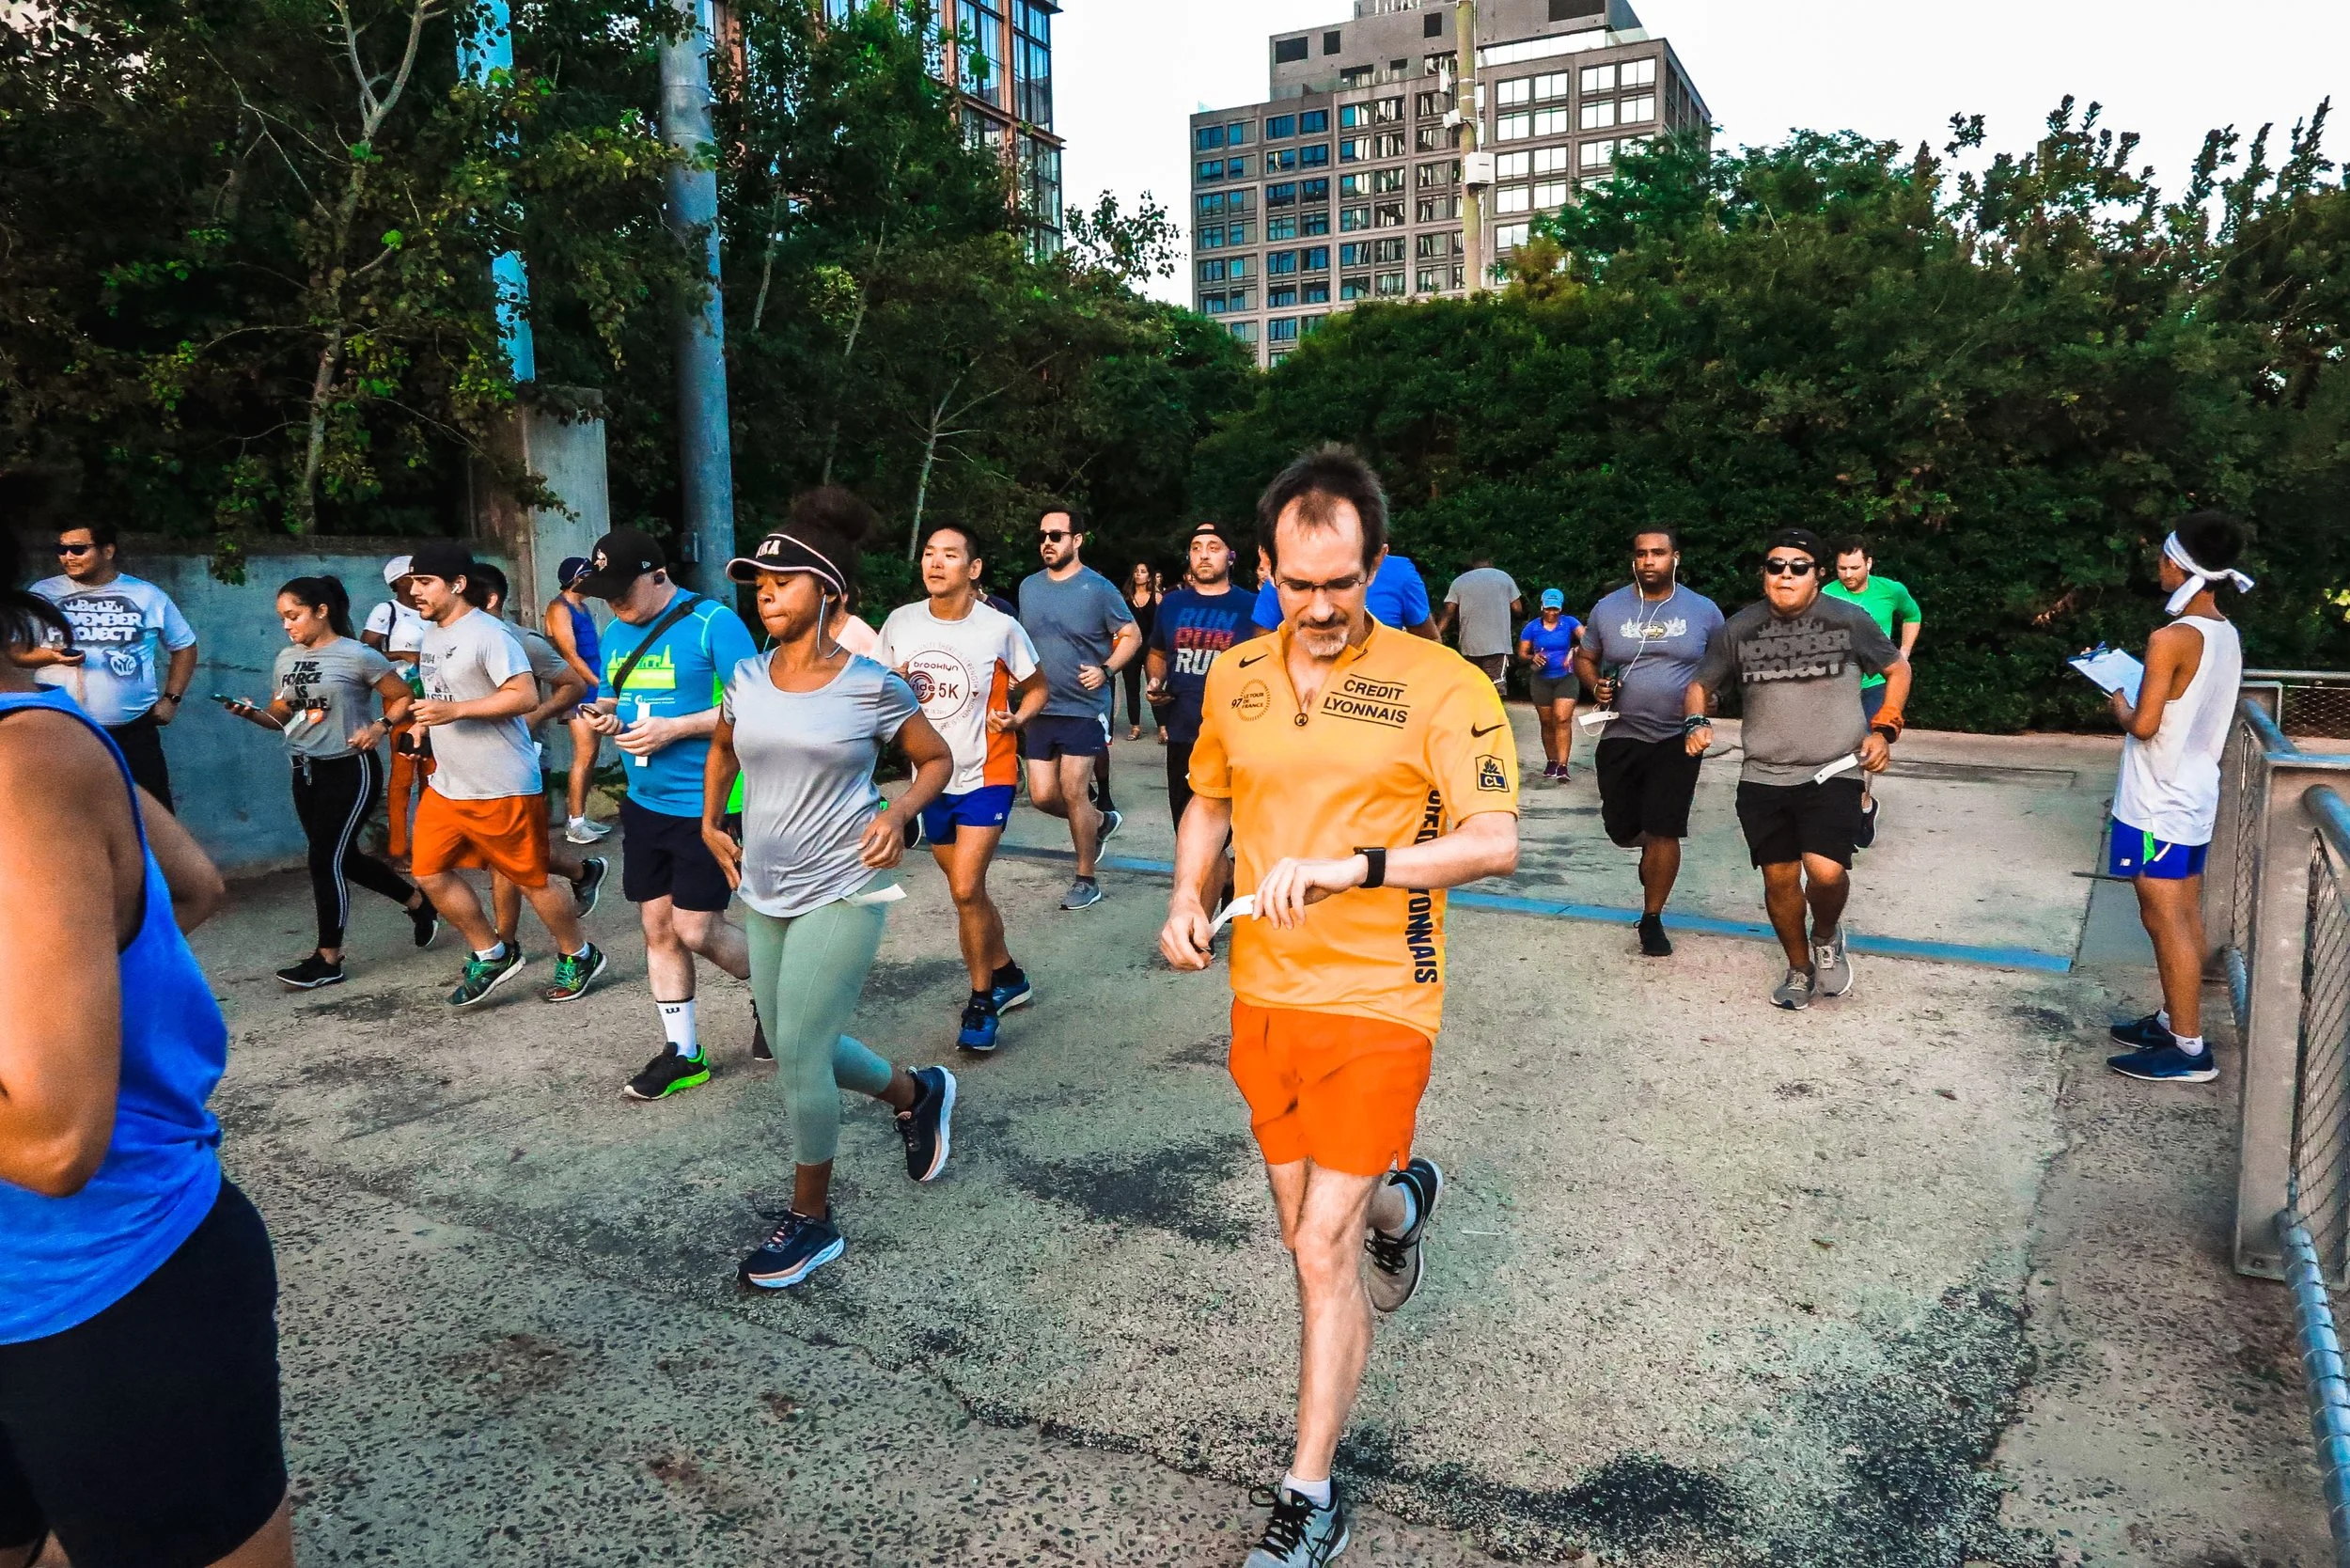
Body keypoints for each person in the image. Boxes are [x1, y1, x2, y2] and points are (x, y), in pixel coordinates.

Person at [1160, 446, 1520, 1568]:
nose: (1320, 607)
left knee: (1319, 1247)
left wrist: (1357, 868)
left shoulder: (1441, 683)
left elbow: (1495, 841)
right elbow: (1208, 801)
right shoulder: (1236, 675)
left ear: (1375, 568)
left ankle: (1308, 1494)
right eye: (1298, 583)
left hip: (1382, 995)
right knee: (1306, 1233)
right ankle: (1401, 1205)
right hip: (1263, 991)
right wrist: (1184, 897)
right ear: (1264, 568)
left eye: (1343, 583)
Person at [0, 535, 295, 1568]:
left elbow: (49, 1141)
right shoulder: (55, 731)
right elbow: (198, 885)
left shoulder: (23, 765)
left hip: (96, 1285)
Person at [706, 519, 961, 1289]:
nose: (767, 594)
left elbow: (934, 758)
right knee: (790, 1043)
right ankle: (917, 1094)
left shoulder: (870, 684)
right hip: (767, 884)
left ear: (830, 595)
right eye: (759, 584)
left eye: (783, 582)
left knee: (802, 1058)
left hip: (847, 882)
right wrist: (711, 823)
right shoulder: (747, 677)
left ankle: (812, 1221)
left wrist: (898, 813)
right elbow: (723, 751)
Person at [1685, 528, 1909, 1011]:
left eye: (1798, 567)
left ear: (1817, 575)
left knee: (1825, 873)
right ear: (1764, 572)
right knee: (1779, 880)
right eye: (1775, 565)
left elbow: (1897, 669)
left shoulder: (1849, 620)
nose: (1785, 574)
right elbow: (1701, 684)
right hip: (1763, 776)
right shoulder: (1740, 628)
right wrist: (1696, 721)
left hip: (1833, 769)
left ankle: (1826, 933)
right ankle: (1799, 966)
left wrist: (1884, 727)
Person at [573, 525, 761, 1098]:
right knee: (658, 926)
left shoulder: (712, 624)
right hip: (645, 802)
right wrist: (601, 715)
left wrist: (676, 728)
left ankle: (782, 993)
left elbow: (756, 704)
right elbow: (610, 693)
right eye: (605, 592)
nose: (614, 603)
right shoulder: (613, 631)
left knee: (697, 928)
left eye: (622, 590)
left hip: (708, 802)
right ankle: (684, 1052)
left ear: (658, 574)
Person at [403, 541, 606, 1009]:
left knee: (532, 879)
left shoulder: (489, 635)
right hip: (449, 784)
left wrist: (456, 711)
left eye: (425, 582)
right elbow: (439, 693)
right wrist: (421, 723)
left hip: (501, 783)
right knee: (428, 872)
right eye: (412, 582)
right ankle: (491, 951)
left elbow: (522, 697)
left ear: (456, 585)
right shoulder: (432, 633)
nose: (415, 591)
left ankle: (580, 953)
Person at [876, 522, 1048, 1053]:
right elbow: (877, 695)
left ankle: (981, 1000)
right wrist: (895, 687)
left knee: (967, 888)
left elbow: (1038, 687)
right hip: (930, 781)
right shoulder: (900, 623)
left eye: (949, 555)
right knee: (965, 894)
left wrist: (1017, 721)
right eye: (929, 553)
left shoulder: (999, 629)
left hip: (986, 772)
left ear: (973, 570)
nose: (935, 563)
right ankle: (1008, 972)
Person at [219, 575, 439, 988]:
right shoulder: (287, 659)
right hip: (304, 769)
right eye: (282, 617)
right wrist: (248, 713)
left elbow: (404, 695)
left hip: (350, 768)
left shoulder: (357, 655)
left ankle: (328, 959)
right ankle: (417, 901)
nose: (287, 625)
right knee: (345, 858)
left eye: (294, 615)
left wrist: (379, 726)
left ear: (322, 611)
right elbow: (280, 716)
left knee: (324, 860)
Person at [2105, 512, 2251, 1084]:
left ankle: (2188, 1048)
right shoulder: (2224, 632)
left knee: (2166, 917)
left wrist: (2118, 702)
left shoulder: (2169, 638)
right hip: (2191, 794)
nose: (2157, 567)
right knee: (2178, 910)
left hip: (2156, 799)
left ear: (2177, 564)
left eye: (2163, 558)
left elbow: (2143, 725)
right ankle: (2173, 1019)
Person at [1572, 529, 1725, 958]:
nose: (1649, 561)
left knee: (1664, 827)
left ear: (1675, 558)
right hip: (1620, 733)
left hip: (1678, 738)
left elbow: (1722, 663)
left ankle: (1652, 917)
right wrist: (1596, 684)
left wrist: (1713, 697)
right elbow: (1585, 657)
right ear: (1633, 561)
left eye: (1658, 553)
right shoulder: (1609, 608)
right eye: (1641, 554)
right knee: (1621, 830)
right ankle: (1652, 850)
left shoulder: (1703, 610)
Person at [462, 563, 607, 954]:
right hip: (467, 766)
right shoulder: (448, 639)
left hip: (521, 761)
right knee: (508, 855)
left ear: (490, 599)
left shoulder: (522, 640)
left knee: (509, 859)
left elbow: (569, 683)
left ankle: (506, 945)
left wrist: (535, 715)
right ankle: (583, 871)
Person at [1018, 504, 1141, 912]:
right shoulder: (1029, 587)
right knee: (1041, 796)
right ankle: (1101, 821)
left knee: (1073, 790)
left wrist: (1106, 670)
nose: (1047, 543)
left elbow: (1131, 634)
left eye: (1056, 536)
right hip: (1040, 706)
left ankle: (1086, 878)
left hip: (1085, 706)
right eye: (1042, 537)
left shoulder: (1099, 589)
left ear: (1077, 540)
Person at [30, 520, 198, 808]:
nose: (67, 557)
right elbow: (14, 652)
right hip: (61, 730)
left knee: (151, 817)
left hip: (132, 732)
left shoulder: (147, 595)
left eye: (78, 549)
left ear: (108, 551)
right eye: (61, 549)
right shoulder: (42, 593)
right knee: (69, 817)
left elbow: (184, 646)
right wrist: (50, 657)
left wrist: (171, 699)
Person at [1148, 521, 1253, 835]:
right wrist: (1156, 682)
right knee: (1185, 829)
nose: (1203, 555)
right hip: (1183, 730)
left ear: (1231, 557)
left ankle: (1222, 878)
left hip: (1235, 735)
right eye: (1196, 549)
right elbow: (1156, 654)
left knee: (1226, 831)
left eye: (1213, 547)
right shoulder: (1172, 603)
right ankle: (1213, 882)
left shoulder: (1251, 606)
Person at [1822, 537, 1923, 847]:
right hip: (1839, 684)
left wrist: (1903, 652)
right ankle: (1844, 806)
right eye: (1842, 568)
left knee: (1866, 747)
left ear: (1869, 563)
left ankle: (1863, 804)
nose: (1848, 575)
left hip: (1877, 683)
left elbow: (1912, 615)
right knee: (1838, 748)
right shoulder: (1825, 594)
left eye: (1854, 567)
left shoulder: (1891, 590)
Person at [544, 556, 614, 846]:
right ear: (578, 577)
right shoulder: (558, 608)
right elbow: (570, 655)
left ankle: (581, 817)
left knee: (591, 755)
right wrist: (601, 686)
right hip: (582, 690)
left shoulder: (581, 607)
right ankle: (574, 824)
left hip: (593, 686)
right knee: (583, 756)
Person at [363, 556, 429, 863]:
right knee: (403, 777)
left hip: (433, 698)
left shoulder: (429, 609)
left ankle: (433, 844)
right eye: (412, 577)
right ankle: (398, 849)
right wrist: (402, 654)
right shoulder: (386, 611)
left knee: (434, 774)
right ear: (399, 581)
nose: (418, 582)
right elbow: (365, 652)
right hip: (401, 698)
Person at [1251, 550, 1437, 639]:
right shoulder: (1286, 571)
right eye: (1300, 586)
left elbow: (1430, 644)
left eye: (1344, 584)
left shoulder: (1399, 573)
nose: (1322, 613)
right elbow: (1262, 646)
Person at [1518, 589, 1583, 783]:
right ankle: (1552, 760)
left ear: (1561, 609)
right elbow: (1522, 654)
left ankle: (1563, 766)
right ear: (1542, 607)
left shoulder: (1569, 622)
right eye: (1548, 609)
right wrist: (1533, 657)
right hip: (1541, 679)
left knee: (1562, 719)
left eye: (1555, 609)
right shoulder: (1532, 627)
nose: (1552, 613)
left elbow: (1590, 640)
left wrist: (1574, 650)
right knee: (1547, 722)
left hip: (1566, 676)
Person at [1439, 556, 1524, 692]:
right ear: (1491, 562)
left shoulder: (1459, 582)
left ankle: (1474, 713)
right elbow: (1517, 608)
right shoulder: (1504, 578)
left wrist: (1436, 636)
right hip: (1498, 645)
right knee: (1496, 686)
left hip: (1469, 646)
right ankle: (1495, 713)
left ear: (1472, 563)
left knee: (1473, 686)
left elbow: (1448, 612)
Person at [1122, 560, 1163, 742]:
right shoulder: (1126, 598)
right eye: (1136, 571)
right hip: (1131, 647)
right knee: (1131, 687)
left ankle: (1162, 726)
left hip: (1151, 646)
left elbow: (1162, 624)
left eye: (1143, 571)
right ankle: (1135, 726)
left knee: (1155, 686)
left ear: (1149, 576)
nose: (1139, 574)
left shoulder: (1157, 597)